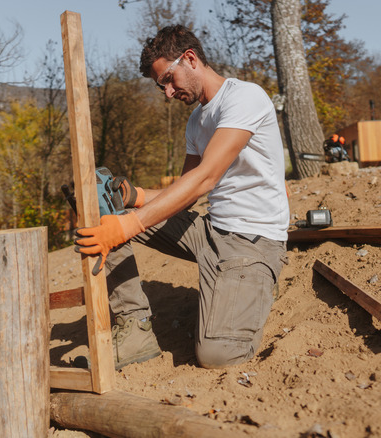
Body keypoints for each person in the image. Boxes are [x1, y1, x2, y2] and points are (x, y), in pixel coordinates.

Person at [74, 25, 289, 369]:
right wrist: (134, 197)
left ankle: (255, 288)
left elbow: (205, 179)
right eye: (162, 85)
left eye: (169, 80)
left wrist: (128, 226)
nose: (168, 93)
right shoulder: (195, 122)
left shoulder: (244, 98)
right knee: (104, 201)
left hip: (253, 243)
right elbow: (184, 191)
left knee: (216, 355)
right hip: (211, 233)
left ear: (190, 59)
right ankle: (134, 328)